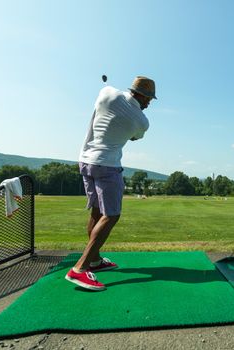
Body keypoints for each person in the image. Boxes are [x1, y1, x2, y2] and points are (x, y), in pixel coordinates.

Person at [65, 76, 156, 291]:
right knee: (111, 215)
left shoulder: (107, 92)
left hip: (86, 161)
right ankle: (79, 269)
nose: (149, 103)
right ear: (141, 95)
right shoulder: (142, 121)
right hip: (108, 166)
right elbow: (135, 137)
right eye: (149, 99)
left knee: (97, 212)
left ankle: (95, 260)